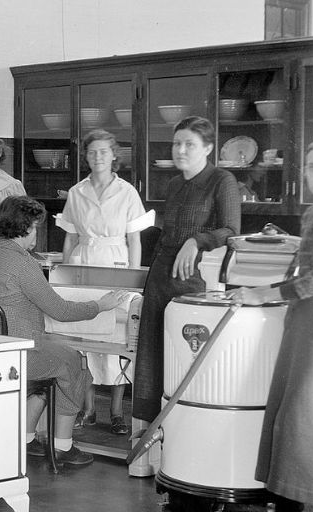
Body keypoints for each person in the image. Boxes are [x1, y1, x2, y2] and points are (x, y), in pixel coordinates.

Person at [231, 138, 313, 512]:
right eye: (312, 168)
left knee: (309, 421)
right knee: (293, 415)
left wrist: (260, 294)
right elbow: (301, 268)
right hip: (302, 320)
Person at [0, 195, 124, 467]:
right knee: (76, 364)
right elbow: (61, 311)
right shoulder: (23, 263)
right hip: (20, 354)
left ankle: (25, 440)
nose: (36, 233)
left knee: (58, 363)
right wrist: (101, 305)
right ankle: (63, 446)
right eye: (34, 226)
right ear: (23, 228)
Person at [132, 116, 240, 422]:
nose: (180, 150)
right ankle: (151, 433)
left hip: (193, 279)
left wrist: (196, 241)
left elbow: (231, 230)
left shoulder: (222, 180)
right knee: (152, 355)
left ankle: (187, 425)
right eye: (177, 143)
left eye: (189, 144)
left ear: (207, 147)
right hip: (161, 275)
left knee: (187, 352)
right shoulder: (175, 183)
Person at [59, 129, 154, 435]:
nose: (98, 157)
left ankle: (116, 412)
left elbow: (134, 240)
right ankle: (87, 409)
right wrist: (64, 276)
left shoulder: (127, 192)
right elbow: (70, 237)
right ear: (85, 156)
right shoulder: (77, 192)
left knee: (118, 337)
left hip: (116, 264)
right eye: (92, 152)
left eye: (103, 151)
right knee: (83, 339)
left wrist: (133, 276)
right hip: (84, 263)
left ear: (115, 156)